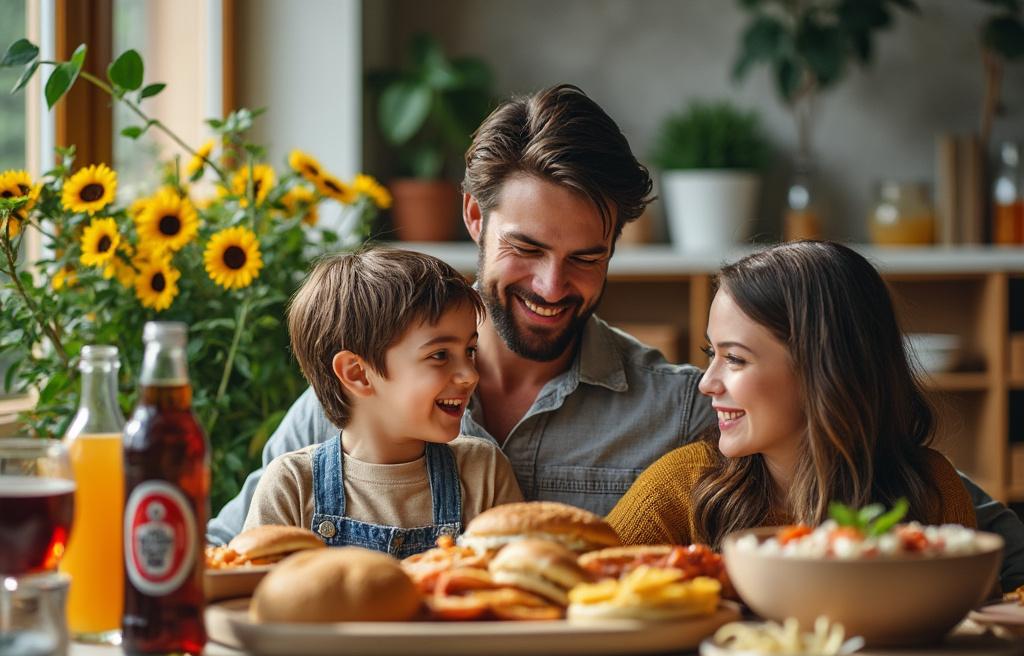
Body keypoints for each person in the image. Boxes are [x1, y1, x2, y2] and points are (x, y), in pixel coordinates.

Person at [208, 83, 1024, 592]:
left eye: (585, 258)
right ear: (474, 217)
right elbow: (222, 562)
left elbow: (891, 475)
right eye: (527, 250)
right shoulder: (354, 406)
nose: (551, 286)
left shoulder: (681, 408)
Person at [607, 241, 975, 548]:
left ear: (825, 370)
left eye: (734, 358)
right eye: (711, 353)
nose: (707, 383)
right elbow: (581, 589)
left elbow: (972, 610)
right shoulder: (680, 488)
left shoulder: (933, 492)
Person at [241, 248, 522, 557]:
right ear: (357, 373)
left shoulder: (483, 471)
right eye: (440, 355)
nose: (470, 375)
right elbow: (255, 584)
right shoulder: (291, 484)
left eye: (470, 350)